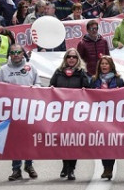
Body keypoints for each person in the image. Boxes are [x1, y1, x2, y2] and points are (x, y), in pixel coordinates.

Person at [0, 45, 40, 180]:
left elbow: (38, 84)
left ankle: (29, 164)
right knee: (15, 140)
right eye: (13, 52)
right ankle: (16, 169)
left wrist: (33, 88)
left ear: (22, 54)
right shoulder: (3, 70)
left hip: (28, 110)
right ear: (9, 54)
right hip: (11, 112)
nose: (15, 55)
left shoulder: (31, 68)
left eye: (18, 52)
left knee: (29, 139)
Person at [49, 49, 91, 180]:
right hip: (61, 113)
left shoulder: (81, 73)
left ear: (78, 59)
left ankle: (71, 168)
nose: (71, 59)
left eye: (74, 57)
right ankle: (65, 165)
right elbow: (51, 87)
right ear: (65, 59)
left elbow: (88, 90)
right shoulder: (58, 72)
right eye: (69, 57)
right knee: (62, 141)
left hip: (76, 114)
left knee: (73, 142)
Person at [91, 56, 124, 180]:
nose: (104, 66)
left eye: (106, 64)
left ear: (111, 66)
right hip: (99, 116)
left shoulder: (119, 80)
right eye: (102, 64)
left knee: (111, 143)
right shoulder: (94, 80)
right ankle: (106, 166)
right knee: (102, 143)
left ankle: (109, 168)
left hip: (114, 116)